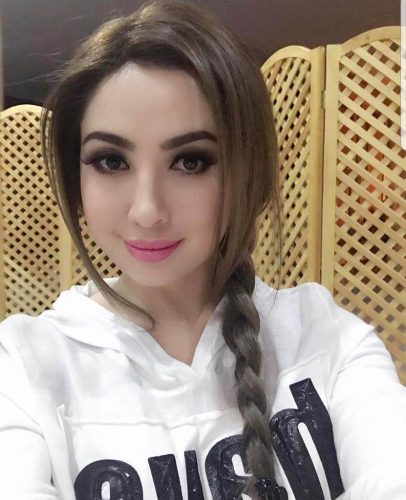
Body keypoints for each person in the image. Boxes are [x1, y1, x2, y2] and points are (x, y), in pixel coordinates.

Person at [0, 1, 405, 499]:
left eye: (190, 162)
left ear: (245, 171)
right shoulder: (24, 367)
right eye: (111, 161)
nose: (147, 211)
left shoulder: (324, 338)